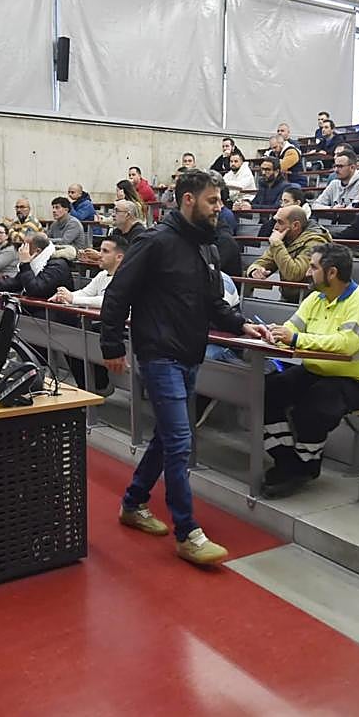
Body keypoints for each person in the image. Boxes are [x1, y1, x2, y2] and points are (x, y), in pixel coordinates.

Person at [99, 168, 270, 566]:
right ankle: (187, 532)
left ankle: (133, 503)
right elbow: (117, 294)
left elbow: (213, 303)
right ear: (188, 199)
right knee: (180, 441)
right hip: (159, 355)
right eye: (213, 200)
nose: (220, 207)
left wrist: (242, 325)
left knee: (167, 437)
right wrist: (111, 344)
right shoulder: (154, 242)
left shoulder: (207, 248)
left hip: (190, 354)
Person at [262, 243, 359, 495]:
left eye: (313, 267)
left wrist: (295, 339)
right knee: (266, 391)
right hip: (317, 370)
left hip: (356, 380)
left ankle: (306, 466)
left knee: (314, 406)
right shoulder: (315, 298)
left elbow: (347, 344)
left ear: (332, 273)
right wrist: (274, 334)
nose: (307, 272)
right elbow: (293, 326)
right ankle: (288, 461)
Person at [246, 206, 332, 302]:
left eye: (280, 222)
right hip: (289, 298)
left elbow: (294, 274)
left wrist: (277, 244)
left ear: (295, 225)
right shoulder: (284, 238)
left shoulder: (316, 242)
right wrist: (255, 270)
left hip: (313, 300)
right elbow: (263, 261)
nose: (275, 227)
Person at [0, 232, 72, 298]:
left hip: (53, 313)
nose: (22, 250)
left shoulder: (57, 265)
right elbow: (18, 281)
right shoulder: (35, 261)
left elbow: (36, 290)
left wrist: (25, 264)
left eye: (26, 247)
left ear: (37, 251)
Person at [52, 235, 125, 308]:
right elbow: (85, 293)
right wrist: (62, 296)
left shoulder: (126, 277)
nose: (99, 255)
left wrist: (73, 299)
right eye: (100, 250)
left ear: (119, 257)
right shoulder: (102, 274)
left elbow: (106, 300)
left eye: (105, 251)